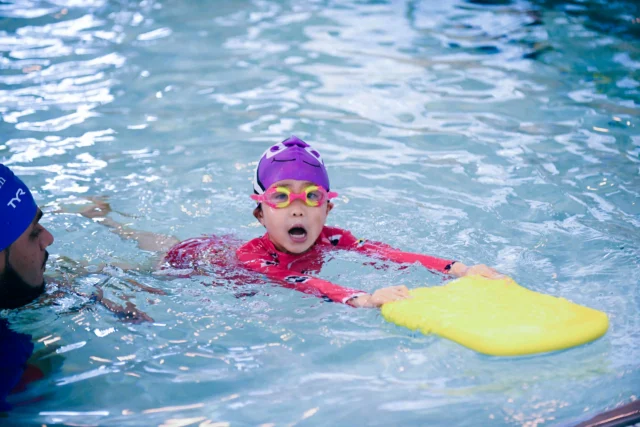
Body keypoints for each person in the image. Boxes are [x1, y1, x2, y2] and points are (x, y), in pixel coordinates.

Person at [164, 136, 503, 308]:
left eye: (312, 196)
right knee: (147, 258)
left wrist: (459, 269)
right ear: (260, 213)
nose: (297, 209)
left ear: (327, 210)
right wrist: (363, 299)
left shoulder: (334, 238)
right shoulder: (254, 257)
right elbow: (296, 279)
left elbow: (388, 253)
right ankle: (108, 219)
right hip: (196, 261)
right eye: (281, 197)